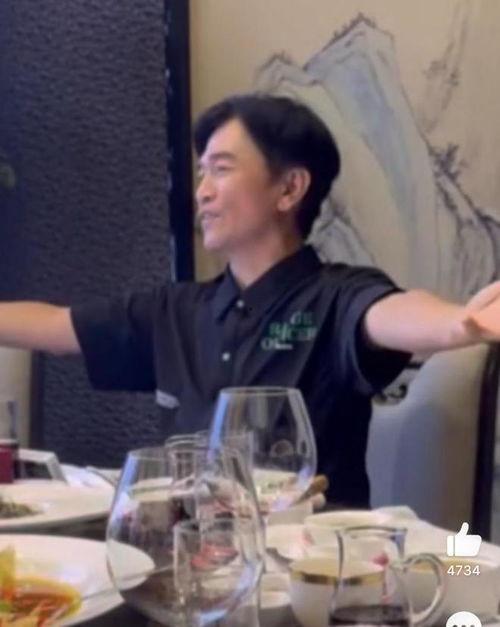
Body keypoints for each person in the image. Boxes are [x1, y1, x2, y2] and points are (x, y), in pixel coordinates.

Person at [0, 94, 499, 506]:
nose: (202, 192)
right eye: (201, 173)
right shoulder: (176, 311)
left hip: (312, 567)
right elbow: (57, 327)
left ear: (290, 189)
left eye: (221, 170)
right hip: (192, 562)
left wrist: (459, 322)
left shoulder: (333, 295)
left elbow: (387, 313)